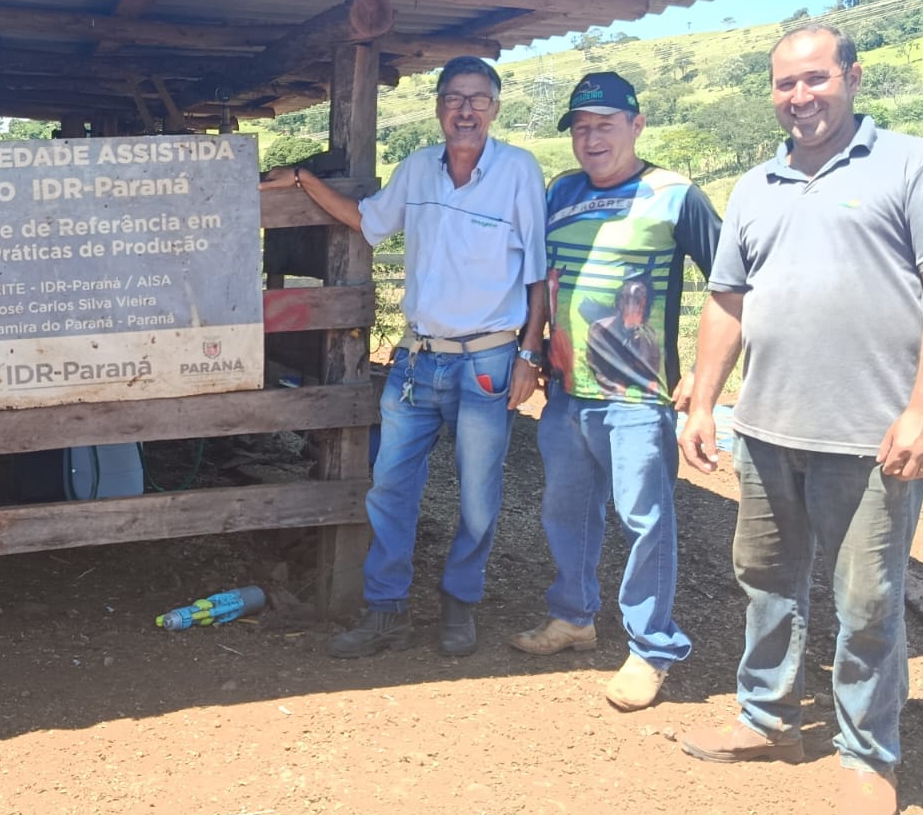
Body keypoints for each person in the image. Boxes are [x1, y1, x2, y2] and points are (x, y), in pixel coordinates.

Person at [677, 25, 923, 815]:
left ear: (851, 76)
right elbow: (727, 300)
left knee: (868, 600)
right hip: (768, 427)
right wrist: (704, 401)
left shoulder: (916, 166)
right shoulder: (756, 184)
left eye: (815, 79)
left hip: (874, 434)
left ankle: (867, 755)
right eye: (784, 85)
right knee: (766, 580)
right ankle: (768, 718)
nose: (799, 97)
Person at [261, 56, 546, 657]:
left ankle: (459, 603)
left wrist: (529, 353)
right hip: (419, 360)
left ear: (494, 108)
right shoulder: (417, 169)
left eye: (478, 99)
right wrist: (304, 183)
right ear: (439, 106)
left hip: (488, 362)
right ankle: (385, 609)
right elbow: (369, 222)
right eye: (454, 98)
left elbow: (539, 276)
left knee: (477, 495)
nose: (465, 110)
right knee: (389, 489)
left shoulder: (519, 171)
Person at [509, 72, 720, 713]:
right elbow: (544, 280)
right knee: (565, 511)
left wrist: (704, 379)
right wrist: (530, 347)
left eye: (603, 124)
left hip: (638, 396)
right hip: (568, 391)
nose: (590, 138)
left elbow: (733, 284)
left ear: (637, 124)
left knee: (644, 519)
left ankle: (652, 647)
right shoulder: (562, 190)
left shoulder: (675, 195)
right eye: (579, 127)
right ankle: (573, 616)